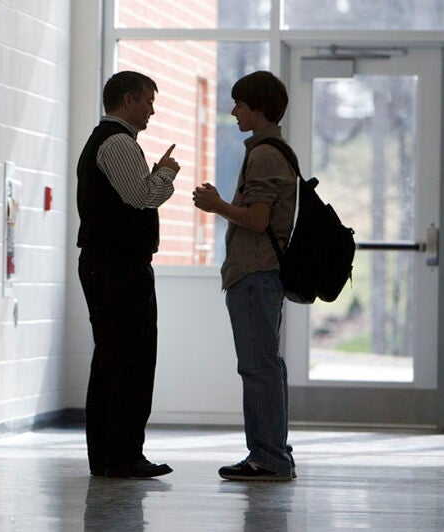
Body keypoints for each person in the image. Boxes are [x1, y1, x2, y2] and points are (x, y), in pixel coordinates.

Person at [192, 70, 297, 481]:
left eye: (240, 104)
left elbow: (257, 219)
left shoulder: (265, 154)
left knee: (258, 368)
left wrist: (217, 204)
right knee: (267, 366)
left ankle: (268, 456)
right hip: (261, 275)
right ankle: (273, 451)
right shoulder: (273, 150)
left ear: (259, 108)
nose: (233, 110)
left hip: (255, 273)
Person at [76, 70, 180, 478]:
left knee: (113, 358)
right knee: (130, 359)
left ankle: (110, 454)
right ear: (127, 100)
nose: (152, 110)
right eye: (148, 101)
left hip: (109, 263)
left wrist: (152, 174)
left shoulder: (112, 142)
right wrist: (166, 172)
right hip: (117, 266)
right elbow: (141, 196)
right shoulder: (117, 142)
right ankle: (121, 455)